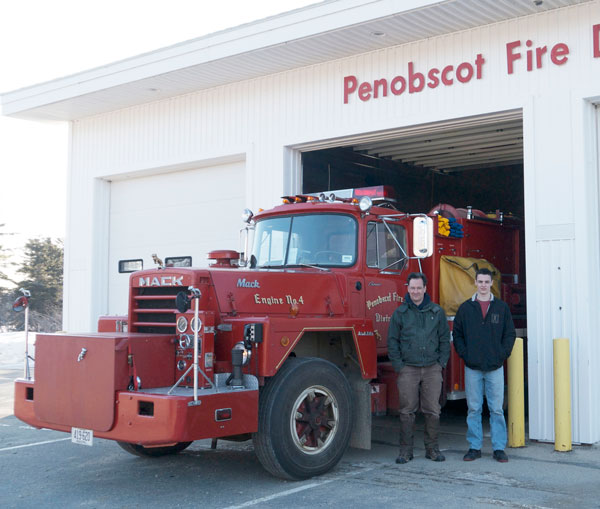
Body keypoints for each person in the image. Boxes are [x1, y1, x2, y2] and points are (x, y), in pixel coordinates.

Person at [453, 268, 516, 463]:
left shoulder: (501, 308)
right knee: (474, 408)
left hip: (495, 367)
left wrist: (501, 355)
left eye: (486, 282)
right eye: (480, 281)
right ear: (475, 283)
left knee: (496, 409)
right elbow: (457, 335)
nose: (483, 285)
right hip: (472, 368)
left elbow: (510, 335)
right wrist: (466, 355)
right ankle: (474, 447)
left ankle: (498, 448)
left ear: (491, 284)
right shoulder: (465, 309)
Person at [387, 272, 450, 464]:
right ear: (408, 288)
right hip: (408, 369)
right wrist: (400, 366)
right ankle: (405, 452)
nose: (415, 291)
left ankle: (432, 449)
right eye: (412, 288)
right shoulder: (400, 313)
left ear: (425, 289)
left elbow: (444, 340)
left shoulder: (437, 312)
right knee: (407, 411)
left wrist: (441, 363)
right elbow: (392, 341)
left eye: (418, 288)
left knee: (433, 410)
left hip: (432, 368)